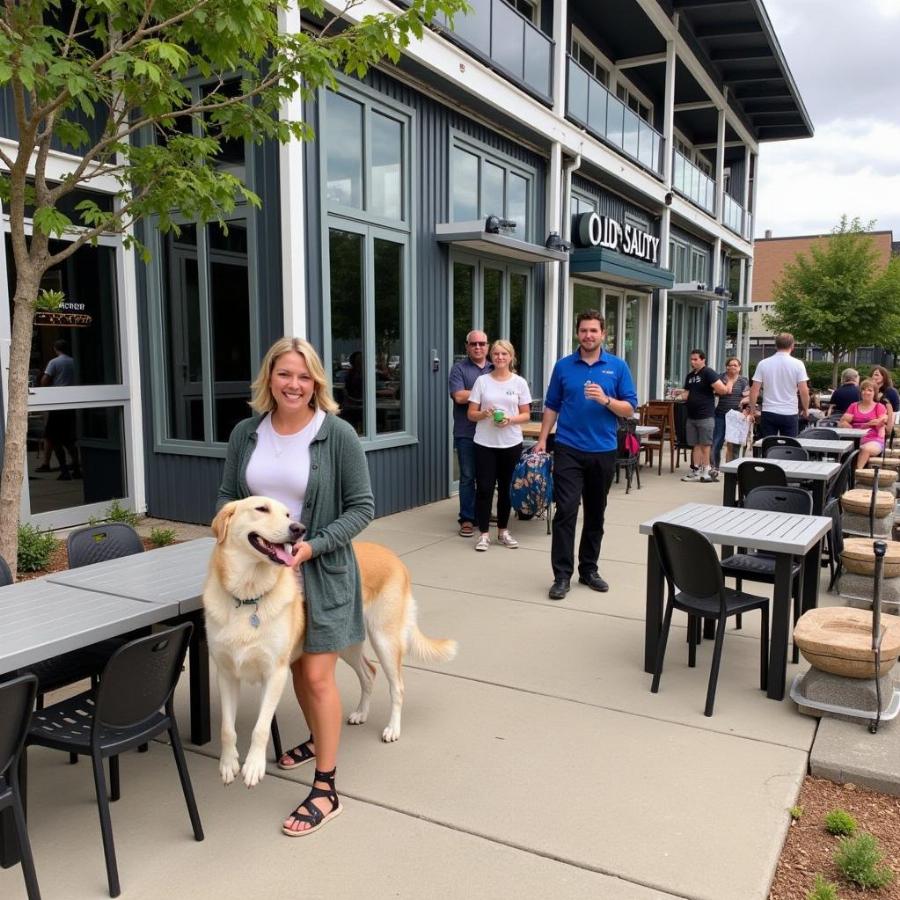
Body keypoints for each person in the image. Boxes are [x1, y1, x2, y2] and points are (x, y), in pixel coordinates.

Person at [217, 336, 374, 836]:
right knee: (294, 667)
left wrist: (313, 546)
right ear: (269, 378)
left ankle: (326, 788)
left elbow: (362, 507)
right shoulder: (247, 433)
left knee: (315, 677)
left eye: (304, 376)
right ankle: (315, 736)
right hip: (262, 576)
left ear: (317, 384)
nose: (294, 384)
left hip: (317, 570)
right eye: (285, 374)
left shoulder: (338, 434)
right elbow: (228, 496)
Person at [534, 310, 638, 601]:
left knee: (595, 512)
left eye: (593, 330)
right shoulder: (564, 366)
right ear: (577, 333)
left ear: (603, 334)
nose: (588, 335)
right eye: (583, 330)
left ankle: (589, 569)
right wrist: (543, 439)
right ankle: (562, 576)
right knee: (566, 511)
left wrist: (605, 400)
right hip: (568, 447)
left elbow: (629, 408)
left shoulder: (617, 367)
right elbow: (552, 405)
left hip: (603, 450)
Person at [467, 339, 532, 552]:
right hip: (485, 443)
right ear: (491, 357)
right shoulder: (482, 381)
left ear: (511, 357)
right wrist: (484, 413)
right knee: (484, 488)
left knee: (506, 489)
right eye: (496, 354)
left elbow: (526, 415)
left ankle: (503, 531)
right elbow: (471, 414)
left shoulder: (519, 383)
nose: (500, 358)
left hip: (510, 443)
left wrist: (510, 420)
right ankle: (484, 534)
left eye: (504, 354)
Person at [448, 330, 492, 538]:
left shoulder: (496, 366)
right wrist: (488, 393)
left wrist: (473, 394)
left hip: (492, 433)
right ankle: (466, 518)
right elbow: (458, 396)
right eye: (473, 344)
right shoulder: (458, 369)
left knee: (488, 477)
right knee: (467, 476)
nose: (478, 347)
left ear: (488, 346)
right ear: (467, 346)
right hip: (466, 432)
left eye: (482, 343)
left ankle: (482, 512)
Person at [676, 349, 728, 483]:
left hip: (705, 414)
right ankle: (697, 470)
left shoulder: (708, 372)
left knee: (705, 444)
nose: (692, 362)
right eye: (691, 359)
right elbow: (687, 393)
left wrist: (723, 386)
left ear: (703, 360)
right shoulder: (690, 376)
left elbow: (721, 389)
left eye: (695, 359)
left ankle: (706, 470)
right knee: (695, 444)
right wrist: (678, 395)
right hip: (692, 415)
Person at [747, 332, 810, 438]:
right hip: (790, 411)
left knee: (768, 445)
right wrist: (806, 409)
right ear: (792, 346)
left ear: (775, 346)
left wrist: (752, 410)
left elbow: (754, 390)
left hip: (769, 411)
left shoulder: (763, 363)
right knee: (789, 446)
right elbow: (804, 390)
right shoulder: (798, 364)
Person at [37, 338, 81, 479]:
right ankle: (76, 467)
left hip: (58, 404)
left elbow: (45, 381)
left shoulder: (54, 362)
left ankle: (64, 470)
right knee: (69, 439)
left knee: (54, 438)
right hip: (72, 402)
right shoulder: (74, 361)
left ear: (55, 348)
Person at [711, 356, 750, 472]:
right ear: (726, 367)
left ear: (740, 368)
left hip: (736, 416)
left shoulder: (743, 380)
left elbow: (748, 395)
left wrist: (745, 401)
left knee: (734, 444)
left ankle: (732, 469)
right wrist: (729, 382)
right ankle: (714, 468)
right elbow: (716, 392)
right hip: (720, 414)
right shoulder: (720, 378)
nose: (732, 367)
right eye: (730, 365)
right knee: (717, 442)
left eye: (735, 365)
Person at [839, 378, 888, 469]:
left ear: (874, 393)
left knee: (865, 449)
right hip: (854, 438)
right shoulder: (854, 406)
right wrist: (847, 425)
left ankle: (857, 473)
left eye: (870, 390)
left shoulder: (879, 407)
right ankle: (842, 475)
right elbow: (843, 421)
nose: (866, 392)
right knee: (842, 450)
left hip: (873, 439)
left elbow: (883, 419)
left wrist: (879, 422)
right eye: (863, 390)